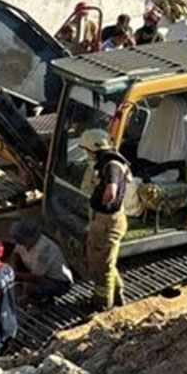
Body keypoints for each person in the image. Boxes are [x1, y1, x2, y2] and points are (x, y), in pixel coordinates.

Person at [81, 128, 131, 311]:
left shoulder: (111, 166)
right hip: (105, 220)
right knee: (105, 261)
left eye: (87, 151)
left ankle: (103, 304)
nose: (86, 154)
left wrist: (101, 206)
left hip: (107, 221)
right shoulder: (109, 163)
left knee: (104, 266)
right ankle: (118, 294)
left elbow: (111, 192)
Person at [10, 220, 73, 303]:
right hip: (38, 274)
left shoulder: (42, 249)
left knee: (32, 289)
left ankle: (42, 301)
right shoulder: (23, 242)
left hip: (57, 282)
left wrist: (13, 276)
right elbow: (15, 254)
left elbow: (36, 277)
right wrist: (13, 269)